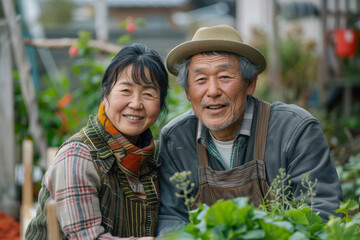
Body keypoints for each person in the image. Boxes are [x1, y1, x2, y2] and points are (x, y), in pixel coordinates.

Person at [156, 25, 343, 236]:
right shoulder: (175, 139)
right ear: (188, 93)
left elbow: (321, 212)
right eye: (200, 80)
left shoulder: (295, 130)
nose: (213, 91)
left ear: (250, 83)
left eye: (224, 77)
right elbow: (170, 218)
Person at [25, 43, 169, 239]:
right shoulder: (79, 156)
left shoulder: (153, 157)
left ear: (160, 105)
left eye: (148, 94)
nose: (136, 104)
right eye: (126, 91)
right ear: (105, 94)